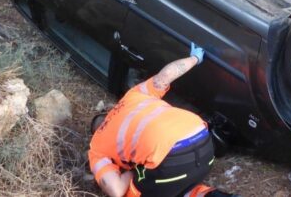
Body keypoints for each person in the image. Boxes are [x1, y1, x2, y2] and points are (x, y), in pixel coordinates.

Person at [88, 43, 238, 197]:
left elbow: (116, 190)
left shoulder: (97, 147)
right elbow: (165, 76)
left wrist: (135, 171)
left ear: (95, 133)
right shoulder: (132, 96)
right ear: (108, 113)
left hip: (172, 157)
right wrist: (195, 58)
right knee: (177, 185)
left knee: (135, 191)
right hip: (204, 143)